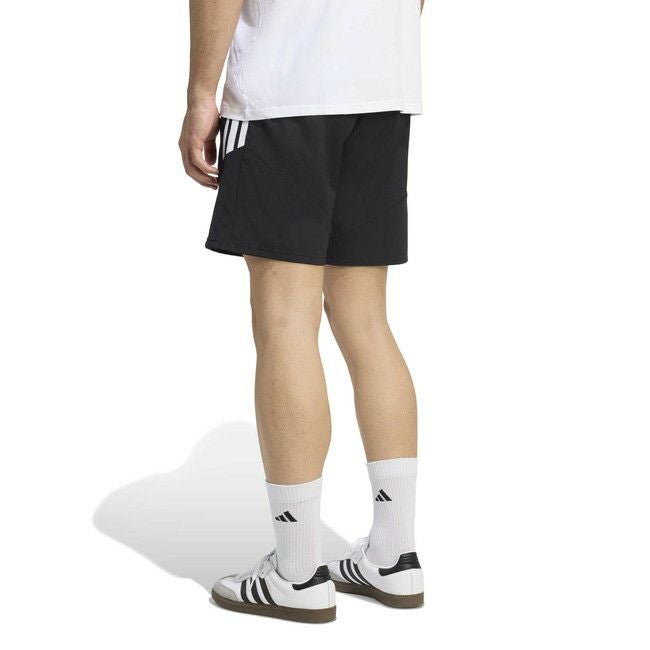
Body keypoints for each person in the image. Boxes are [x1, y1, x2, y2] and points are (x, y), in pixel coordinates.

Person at [179, 0, 425, 623]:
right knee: (366, 321)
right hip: (383, 86)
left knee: (286, 320)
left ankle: (296, 572)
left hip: (286, 88)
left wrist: (201, 93)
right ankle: (394, 557)